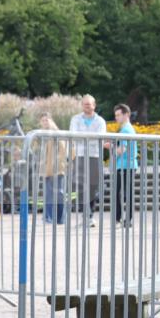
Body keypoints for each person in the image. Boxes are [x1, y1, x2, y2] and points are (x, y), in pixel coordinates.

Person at [69, 95, 106, 227]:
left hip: (94, 156)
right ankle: (85, 215)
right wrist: (91, 138)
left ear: (94, 105)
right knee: (80, 186)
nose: (86, 106)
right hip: (79, 156)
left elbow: (100, 138)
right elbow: (73, 136)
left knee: (93, 187)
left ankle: (90, 216)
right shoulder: (75, 119)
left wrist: (84, 138)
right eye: (84, 104)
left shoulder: (100, 121)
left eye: (89, 104)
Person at [108, 104, 138, 227]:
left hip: (125, 165)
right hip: (126, 165)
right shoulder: (128, 128)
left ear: (126, 115)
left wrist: (110, 147)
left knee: (121, 193)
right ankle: (124, 219)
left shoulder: (126, 130)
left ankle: (121, 218)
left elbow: (122, 149)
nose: (116, 118)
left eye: (118, 115)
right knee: (124, 193)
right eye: (116, 115)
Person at [37, 114, 67, 225]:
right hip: (46, 168)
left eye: (46, 120)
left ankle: (60, 218)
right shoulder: (40, 134)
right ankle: (48, 217)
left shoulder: (56, 133)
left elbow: (62, 150)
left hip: (57, 168)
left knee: (59, 193)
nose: (45, 122)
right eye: (42, 120)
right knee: (48, 194)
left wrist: (57, 165)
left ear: (51, 120)